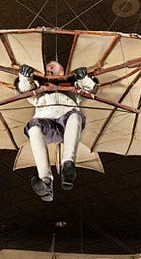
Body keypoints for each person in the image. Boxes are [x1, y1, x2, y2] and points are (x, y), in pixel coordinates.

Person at [16, 60, 98, 201]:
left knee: (75, 116)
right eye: (47, 66)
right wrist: (25, 76)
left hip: (66, 125)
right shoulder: (38, 85)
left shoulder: (72, 85)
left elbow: (90, 90)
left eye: (52, 66)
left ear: (62, 72)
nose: (48, 68)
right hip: (44, 123)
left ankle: (68, 164)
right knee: (33, 128)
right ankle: (45, 180)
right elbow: (25, 90)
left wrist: (83, 77)